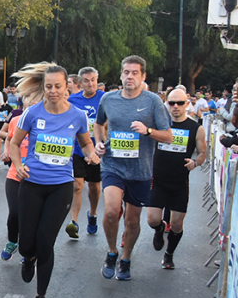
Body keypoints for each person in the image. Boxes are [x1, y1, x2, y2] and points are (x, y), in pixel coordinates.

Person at [9, 63, 100, 298]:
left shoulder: (78, 116)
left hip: (60, 186)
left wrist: (92, 155)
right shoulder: (32, 113)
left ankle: (40, 297)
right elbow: (15, 143)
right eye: (48, 86)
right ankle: (27, 258)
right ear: (43, 87)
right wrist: (18, 165)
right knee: (28, 243)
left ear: (67, 87)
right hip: (32, 184)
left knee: (45, 242)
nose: (53, 91)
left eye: (58, 86)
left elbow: (86, 143)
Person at [94, 55, 172, 281]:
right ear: (121, 75)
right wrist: (99, 142)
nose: (130, 77)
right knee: (110, 211)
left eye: (135, 73)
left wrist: (148, 131)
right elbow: (99, 124)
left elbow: (167, 136)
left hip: (140, 169)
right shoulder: (108, 99)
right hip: (113, 164)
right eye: (126, 72)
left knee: (132, 221)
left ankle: (126, 259)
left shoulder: (153, 101)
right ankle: (111, 252)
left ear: (143, 76)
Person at [147, 89, 206, 269]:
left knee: (176, 223)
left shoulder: (196, 128)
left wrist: (195, 162)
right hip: (157, 179)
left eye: (180, 103)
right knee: (152, 219)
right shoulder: (158, 125)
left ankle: (169, 254)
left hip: (180, 182)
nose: (175, 107)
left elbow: (203, 153)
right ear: (166, 104)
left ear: (187, 104)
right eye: (171, 103)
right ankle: (158, 230)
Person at [65, 66, 104, 238]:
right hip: (77, 150)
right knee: (77, 186)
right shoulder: (73, 100)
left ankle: (93, 214)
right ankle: (74, 222)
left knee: (94, 187)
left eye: (93, 80)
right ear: (80, 83)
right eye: (86, 81)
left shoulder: (105, 99)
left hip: (97, 150)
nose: (90, 83)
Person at [0, 93, 32, 261]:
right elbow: (10, 139)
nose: (33, 101)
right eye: (29, 97)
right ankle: (12, 242)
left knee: (29, 214)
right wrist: (7, 151)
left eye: (37, 97)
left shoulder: (46, 123)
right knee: (15, 212)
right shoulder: (15, 121)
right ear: (23, 101)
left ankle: (27, 249)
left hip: (35, 177)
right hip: (14, 174)